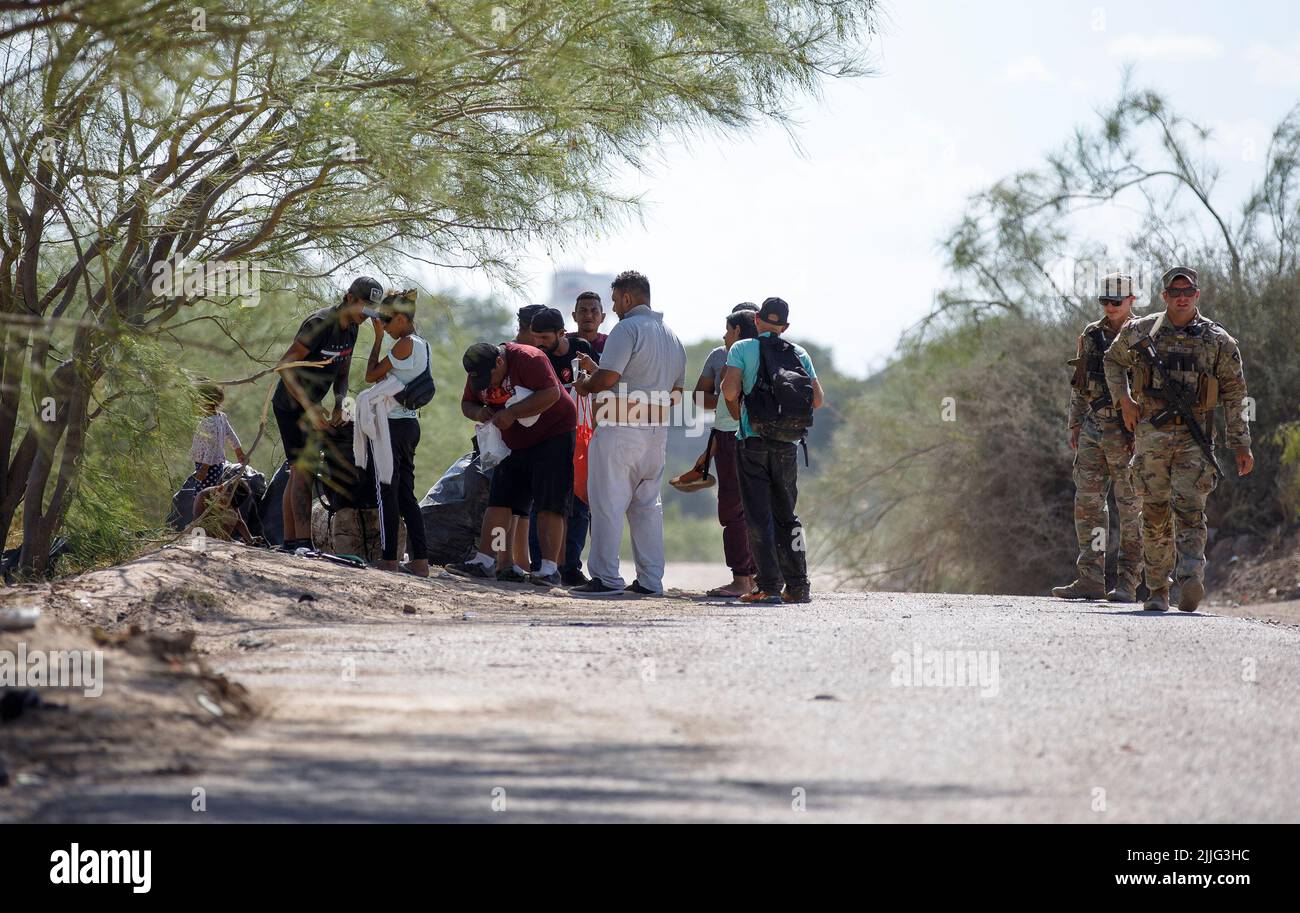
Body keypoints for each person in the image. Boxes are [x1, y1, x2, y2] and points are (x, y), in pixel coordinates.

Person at [1103, 266, 1254, 613]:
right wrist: (1123, 400)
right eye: (1175, 292)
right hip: (1151, 438)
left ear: (1197, 295)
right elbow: (1112, 361)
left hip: (1194, 438)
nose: (1182, 297)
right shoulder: (1142, 331)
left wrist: (1241, 444)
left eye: (1188, 292)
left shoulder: (1218, 340)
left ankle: (1190, 579)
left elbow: (1234, 392)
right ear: (1165, 296)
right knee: (1154, 513)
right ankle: (1157, 589)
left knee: (1190, 510)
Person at [571, 270, 687, 597]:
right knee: (647, 507)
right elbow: (677, 392)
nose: (614, 308)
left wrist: (585, 385)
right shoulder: (672, 336)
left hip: (619, 428)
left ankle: (606, 578)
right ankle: (650, 581)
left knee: (607, 503)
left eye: (614, 301)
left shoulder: (627, 328)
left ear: (626, 298)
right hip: (656, 432)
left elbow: (607, 379)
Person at [720, 297, 824, 604]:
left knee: (758, 516)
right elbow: (817, 399)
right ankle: (798, 585)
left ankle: (767, 585)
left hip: (753, 440)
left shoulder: (742, 348)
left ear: (757, 319)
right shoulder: (799, 352)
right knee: (788, 517)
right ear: (785, 326)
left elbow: (729, 390)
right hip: (788, 446)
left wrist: (741, 405)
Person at [448, 341, 577, 586]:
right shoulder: (479, 371)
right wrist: (478, 413)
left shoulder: (529, 359)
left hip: (554, 434)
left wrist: (513, 412)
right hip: (514, 441)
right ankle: (486, 560)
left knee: (550, 501)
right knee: (501, 499)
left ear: (499, 362)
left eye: (491, 377)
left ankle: (549, 569)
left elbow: (552, 393)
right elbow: (467, 403)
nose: (489, 384)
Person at [1052, 274, 1143, 603]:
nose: (1109, 307)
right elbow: (1080, 382)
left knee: (1130, 506)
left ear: (1132, 300)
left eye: (1115, 302)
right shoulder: (1091, 334)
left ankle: (1128, 581)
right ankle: (1090, 577)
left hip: (1129, 432)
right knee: (1089, 505)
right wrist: (1075, 423)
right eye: (1104, 301)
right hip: (1093, 428)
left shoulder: (1145, 334)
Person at [271, 276, 378, 552]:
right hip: (291, 405)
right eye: (364, 307)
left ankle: (291, 542)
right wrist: (309, 406)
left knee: (297, 470)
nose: (366, 315)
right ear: (350, 298)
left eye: (371, 310)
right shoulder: (319, 324)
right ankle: (303, 544)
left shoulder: (352, 329)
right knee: (303, 469)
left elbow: (341, 372)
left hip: (313, 408)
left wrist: (341, 399)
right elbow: (284, 366)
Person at [683, 305, 759, 597]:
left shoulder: (736, 354)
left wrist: (733, 398)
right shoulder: (723, 354)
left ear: (738, 329)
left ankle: (743, 579)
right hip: (756, 438)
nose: (724, 335)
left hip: (735, 438)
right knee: (761, 508)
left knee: (733, 510)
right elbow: (703, 398)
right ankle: (763, 578)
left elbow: (726, 406)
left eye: (729, 329)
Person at [361, 289, 431, 577]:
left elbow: (371, 374)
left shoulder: (404, 344)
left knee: (386, 491)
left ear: (401, 318)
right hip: (409, 425)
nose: (385, 327)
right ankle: (420, 561)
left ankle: (389, 559)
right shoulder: (423, 344)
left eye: (387, 322)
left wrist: (377, 340)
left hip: (391, 426)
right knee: (404, 494)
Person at [527, 306, 599, 584]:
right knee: (542, 501)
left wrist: (587, 379)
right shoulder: (538, 357)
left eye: (544, 337)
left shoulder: (581, 348)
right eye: (535, 338)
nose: (539, 343)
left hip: (579, 433)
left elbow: (599, 380)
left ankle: (570, 566)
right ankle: (541, 564)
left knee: (578, 503)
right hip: (547, 435)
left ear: (561, 333)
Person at [189, 381, 255, 542]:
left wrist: (203, 468)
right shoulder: (220, 418)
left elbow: (211, 448)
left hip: (209, 466)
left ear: (205, 402)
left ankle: (202, 535)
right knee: (218, 499)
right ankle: (218, 534)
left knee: (205, 499)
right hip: (216, 464)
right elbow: (231, 435)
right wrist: (239, 452)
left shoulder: (208, 423)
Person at [569, 290, 609, 356]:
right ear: (574, 316)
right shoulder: (564, 343)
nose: (588, 315)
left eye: (594, 311)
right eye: (583, 310)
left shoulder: (610, 343)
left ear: (603, 317)